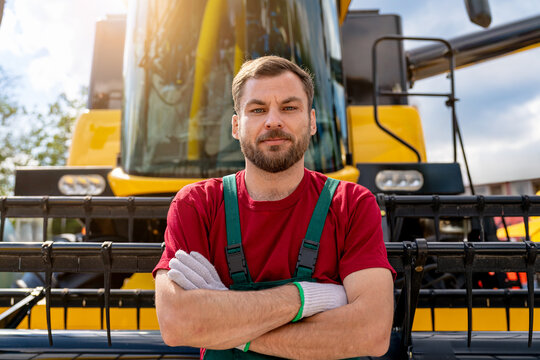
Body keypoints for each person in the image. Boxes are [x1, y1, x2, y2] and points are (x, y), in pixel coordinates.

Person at [153, 55, 395, 359]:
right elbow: (178, 325)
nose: (273, 120)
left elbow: (371, 333)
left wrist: (226, 323)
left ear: (311, 122)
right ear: (236, 125)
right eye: (257, 109)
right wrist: (309, 298)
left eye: (289, 108)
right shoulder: (196, 205)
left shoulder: (353, 205)